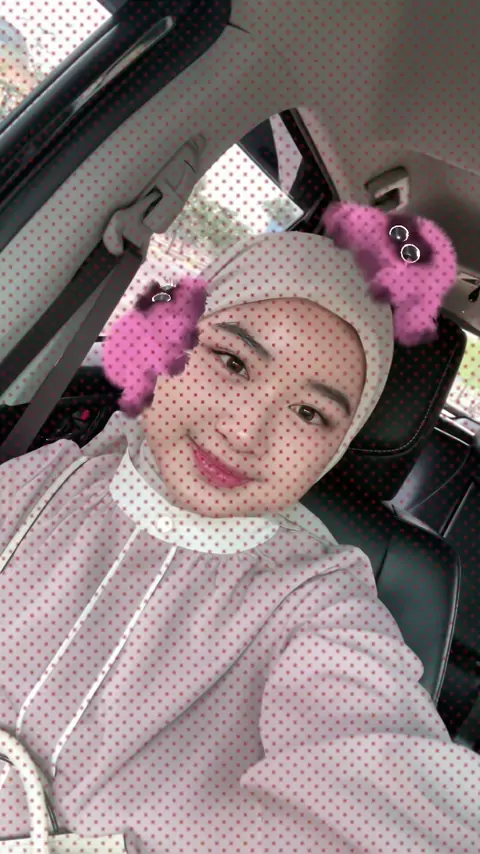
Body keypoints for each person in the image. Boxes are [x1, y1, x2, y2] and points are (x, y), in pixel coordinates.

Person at [0, 220, 479, 853]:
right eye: (232, 361)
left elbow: (394, 793)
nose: (246, 432)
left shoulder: (321, 605)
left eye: (309, 413)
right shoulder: (48, 478)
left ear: (337, 447)